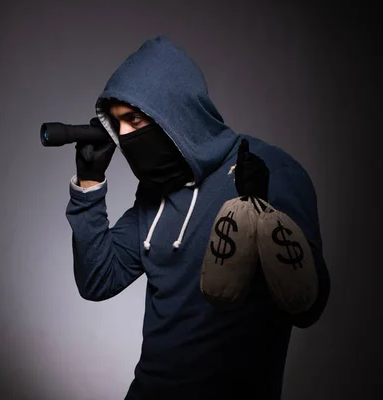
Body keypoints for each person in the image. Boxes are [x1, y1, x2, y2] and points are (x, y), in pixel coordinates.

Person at [64, 36, 330, 399]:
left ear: (173, 110)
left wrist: (265, 216)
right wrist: (89, 185)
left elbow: (309, 306)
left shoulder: (271, 170)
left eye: (133, 119)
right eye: (116, 123)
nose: (124, 136)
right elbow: (98, 279)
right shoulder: (156, 191)